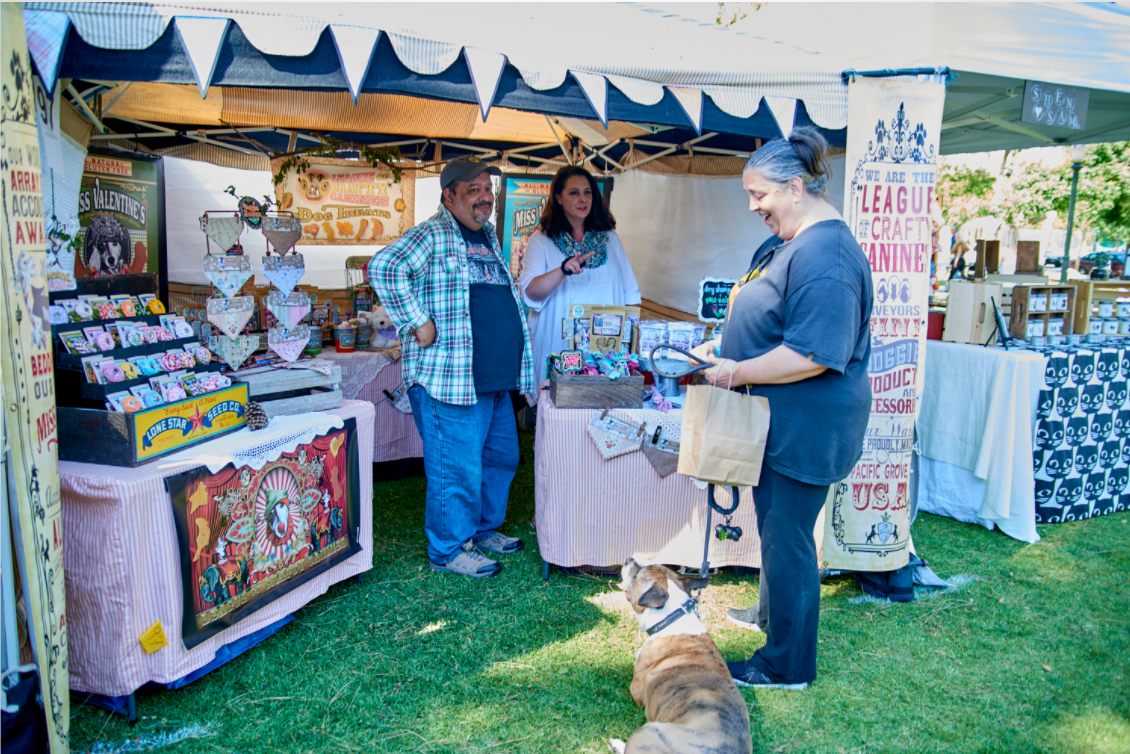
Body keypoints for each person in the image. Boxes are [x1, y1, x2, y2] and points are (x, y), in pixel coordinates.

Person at [693, 127, 873, 690]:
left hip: (807, 423)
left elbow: (813, 354)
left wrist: (736, 371)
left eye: (760, 195)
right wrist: (722, 350)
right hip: (777, 418)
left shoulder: (827, 254)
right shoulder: (792, 242)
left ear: (795, 187)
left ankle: (786, 663)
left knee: (789, 536)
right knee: (775, 530)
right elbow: (770, 323)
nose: (753, 207)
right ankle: (773, 620)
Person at [368, 156, 535, 578]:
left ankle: (479, 531)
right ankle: (447, 549)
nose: (485, 197)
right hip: (449, 380)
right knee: (456, 467)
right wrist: (416, 319)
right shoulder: (432, 233)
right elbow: (384, 267)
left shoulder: (487, 238)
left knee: (501, 458)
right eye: (474, 189)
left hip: (493, 380)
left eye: (488, 189)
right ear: (449, 195)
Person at [519, 166, 640, 376]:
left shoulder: (610, 239)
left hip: (606, 354)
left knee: (603, 404)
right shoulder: (541, 240)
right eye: (574, 193)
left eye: (587, 192)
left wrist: (632, 346)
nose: (582, 199)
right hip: (560, 348)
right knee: (563, 398)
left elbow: (631, 297)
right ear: (558, 197)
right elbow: (531, 293)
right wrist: (563, 270)